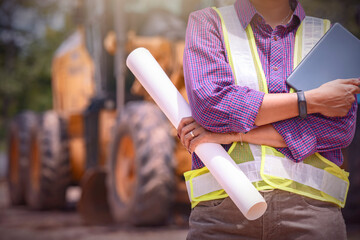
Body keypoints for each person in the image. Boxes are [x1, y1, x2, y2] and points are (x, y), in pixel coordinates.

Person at [177, 0, 360, 239]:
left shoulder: (327, 36)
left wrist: (230, 134)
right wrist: (311, 101)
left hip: (312, 216)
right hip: (222, 217)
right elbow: (213, 106)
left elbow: (338, 130)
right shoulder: (208, 24)